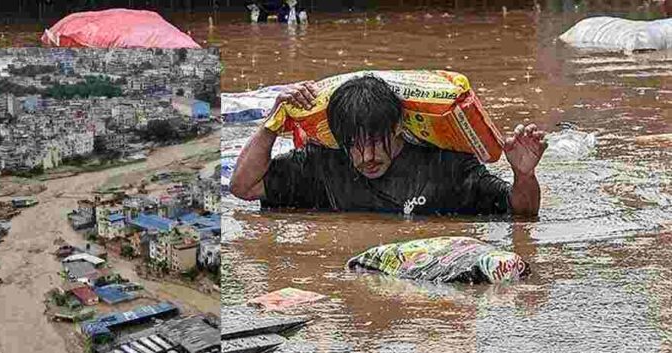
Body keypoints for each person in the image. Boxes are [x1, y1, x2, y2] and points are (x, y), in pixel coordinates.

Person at [229, 75, 546, 217]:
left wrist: (523, 175)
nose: (366, 156)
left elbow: (522, 214)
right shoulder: (320, 164)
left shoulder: (447, 166)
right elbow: (243, 187)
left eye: (375, 142)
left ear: (398, 128)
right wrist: (271, 125)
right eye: (354, 145)